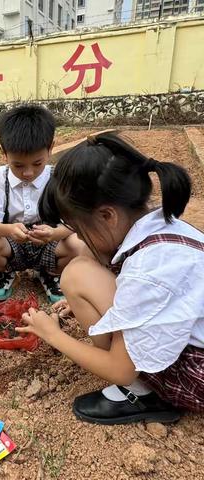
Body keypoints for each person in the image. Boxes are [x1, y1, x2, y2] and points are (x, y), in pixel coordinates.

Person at [17, 132, 204, 424]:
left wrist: (51, 333)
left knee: (77, 273)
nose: (79, 236)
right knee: (83, 264)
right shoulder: (164, 227)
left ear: (107, 216)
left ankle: (143, 393)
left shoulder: (146, 270)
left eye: (79, 226)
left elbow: (121, 370)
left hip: (196, 377)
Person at [0, 104, 83, 303]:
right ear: (4, 153)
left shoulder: (57, 177)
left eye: (37, 163)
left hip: (49, 242)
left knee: (79, 244)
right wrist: (9, 230)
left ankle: (51, 273)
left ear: (50, 148)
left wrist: (54, 233)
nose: (28, 173)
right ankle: (5, 272)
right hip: (13, 244)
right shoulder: (0, 178)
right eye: (18, 165)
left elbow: (73, 223)